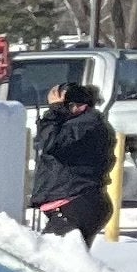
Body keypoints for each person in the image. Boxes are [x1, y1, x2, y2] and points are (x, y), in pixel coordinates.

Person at [28, 80, 114, 240]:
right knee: (59, 261)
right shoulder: (79, 123)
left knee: (51, 261)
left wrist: (54, 111)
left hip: (77, 204)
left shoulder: (85, 125)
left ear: (76, 106)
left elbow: (50, 143)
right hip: (73, 204)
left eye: (61, 106)